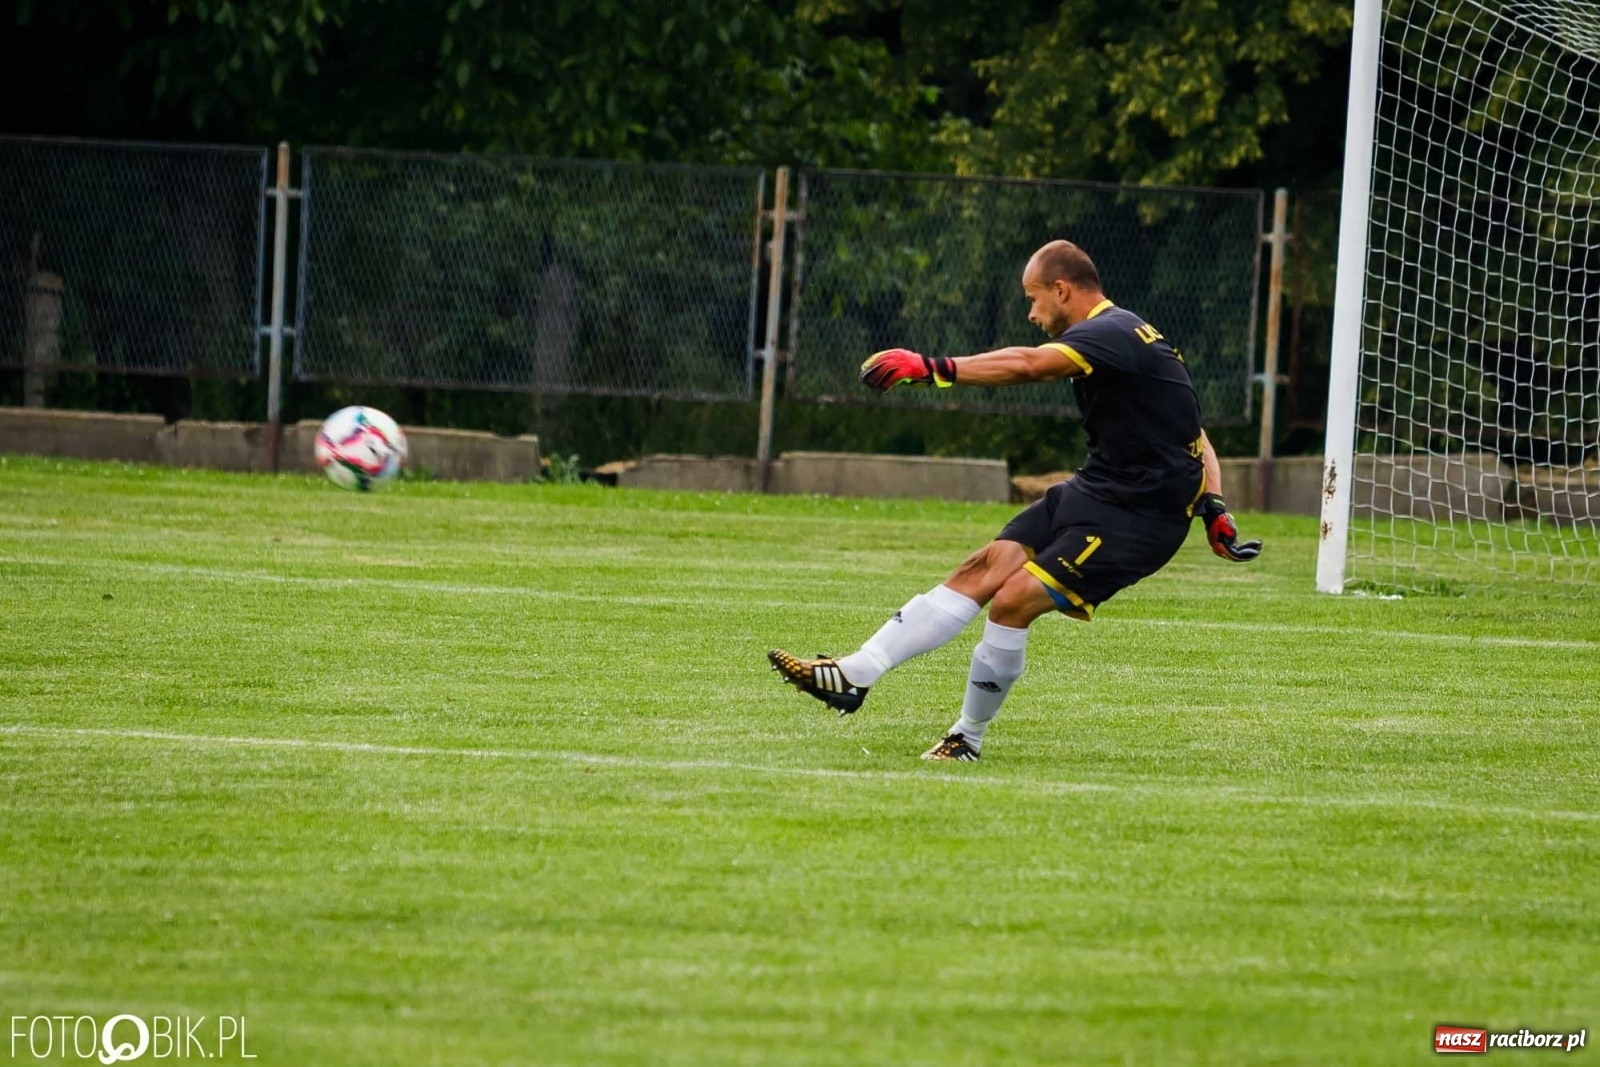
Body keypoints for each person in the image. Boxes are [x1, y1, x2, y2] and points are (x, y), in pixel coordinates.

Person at [767, 239, 1261, 761]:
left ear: (1062, 289)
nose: (1031, 312)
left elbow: (1027, 365)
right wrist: (1215, 505)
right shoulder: (1127, 334)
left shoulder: (1108, 334)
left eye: (1034, 298)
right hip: (1098, 489)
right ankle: (854, 673)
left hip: (1139, 518)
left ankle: (966, 739)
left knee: (1012, 601)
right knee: (985, 565)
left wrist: (933, 367)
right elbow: (1195, 432)